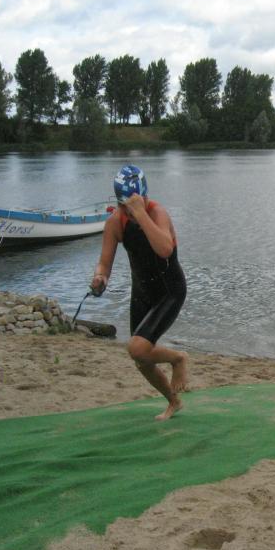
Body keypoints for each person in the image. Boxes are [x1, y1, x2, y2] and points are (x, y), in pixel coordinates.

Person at [92, 165, 188, 421]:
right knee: (141, 359)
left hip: (170, 291)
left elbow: (165, 249)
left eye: (132, 204)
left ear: (144, 197)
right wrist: (100, 277)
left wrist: (141, 214)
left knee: (137, 348)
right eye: (124, 206)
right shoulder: (115, 222)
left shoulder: (157, 213)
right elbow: (104, 262)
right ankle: (174, 401)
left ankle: (178, 359)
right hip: (142, 293)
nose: (128, 212)